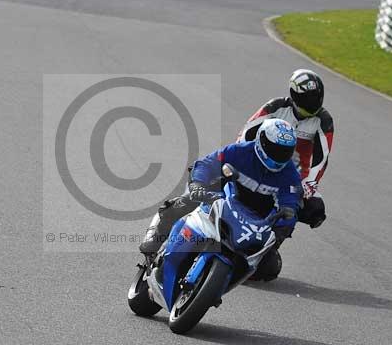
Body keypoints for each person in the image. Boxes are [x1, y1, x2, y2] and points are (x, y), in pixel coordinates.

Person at [140, 119, 302, 273]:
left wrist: (282, 227)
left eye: (285, 151)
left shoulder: (290, 175)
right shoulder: (239, 151)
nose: (279, 155)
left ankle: (224, 273)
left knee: (270, 267)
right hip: (224, 198)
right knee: (186, 202)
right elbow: (207, 163)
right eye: (275, 149)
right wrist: (198, 184)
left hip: (254, 220)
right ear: (261, 141)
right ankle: (157, 235)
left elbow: (291, 202)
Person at [236, 69, 333, 230]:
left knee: (316, 210)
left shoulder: (323, 120)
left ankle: (273, 242)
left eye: (316, 97)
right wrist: (244, 160)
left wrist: (309, 184)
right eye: (307, 98)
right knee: (219, 175)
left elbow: (322, 157)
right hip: (262, 165)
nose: (312, 102)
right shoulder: (276, 107)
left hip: (293, 177)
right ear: (295, 96)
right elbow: (246, 133)